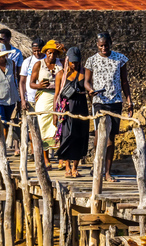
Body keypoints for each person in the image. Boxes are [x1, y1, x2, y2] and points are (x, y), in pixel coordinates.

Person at [84, 31, 133, 182]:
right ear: (97, 46)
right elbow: (86, 81)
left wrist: (129, 101)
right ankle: (97, 167)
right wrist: (90, 90)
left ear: (111, 43)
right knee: (100, 135)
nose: (103, 48)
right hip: (99, 101)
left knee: (111, 138)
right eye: (101, 46)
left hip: (115, 101)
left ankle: (107, 172)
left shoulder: (120, 59)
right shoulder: (91, 60)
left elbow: (124, 81)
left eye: (106, 45)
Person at [55, 47, 90, 177]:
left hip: (81, 108)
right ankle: (67, 167)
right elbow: (57, 95)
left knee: (80, 136)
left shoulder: (85, 72)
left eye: (77, 62)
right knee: (67, 136)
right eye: (72, 62)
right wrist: (55, 114)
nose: (74, 64)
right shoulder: (61, 75)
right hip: (67, 109)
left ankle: (75, 168)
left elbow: (89, 89)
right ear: (68, 60)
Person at [30, 40, 64, 168]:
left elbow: (74, 64)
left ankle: (61, 158)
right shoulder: (39, 65)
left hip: (59, 97)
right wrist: (38, 85)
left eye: (55, 53)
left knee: (60, 125)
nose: (52, 56)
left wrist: (65, 50)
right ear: (45, 53)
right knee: (43, 125)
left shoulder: (62, 64)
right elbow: (31, 83)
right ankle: (46, 158)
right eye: (49, 53)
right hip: (44, 96)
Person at [19, 38, 46, 155]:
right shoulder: (28, 62)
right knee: (32, 126)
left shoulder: (48, 60)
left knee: (44, 126)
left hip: (44, 98)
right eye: (34, 51)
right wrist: (23, 99)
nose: (37, 53)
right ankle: (33, 152)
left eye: (39, 50)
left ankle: (45, 154)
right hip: (30, 99)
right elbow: (22, 82)